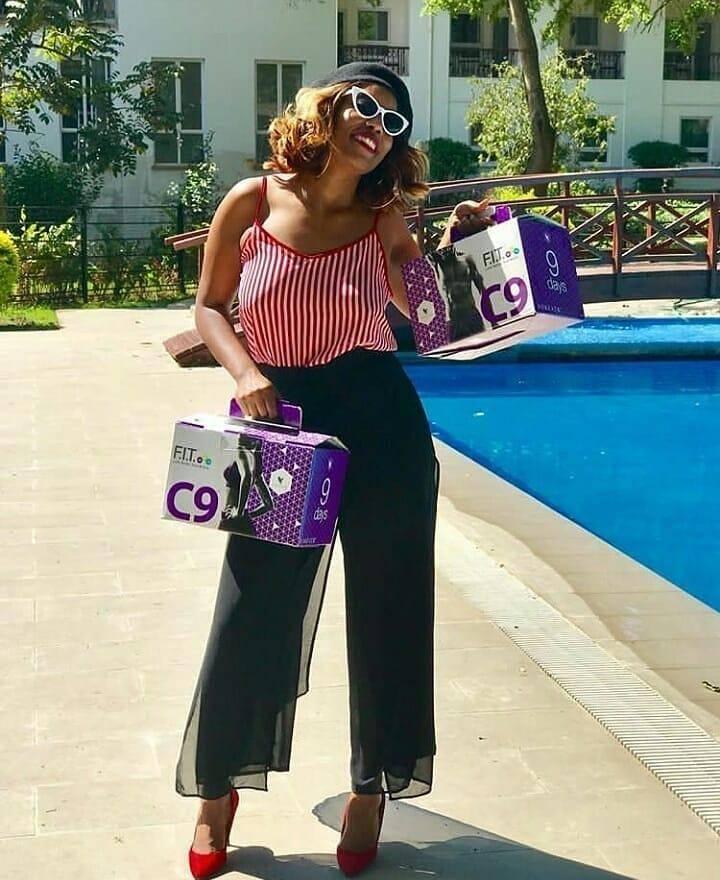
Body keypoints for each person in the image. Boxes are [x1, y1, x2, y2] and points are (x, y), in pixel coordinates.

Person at [177, 62, 494, 880]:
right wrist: (247, 373)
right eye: (364, 105)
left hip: (381, 422)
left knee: (391, 609)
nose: (375, 126)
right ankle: (218, 788)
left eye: (393, 122)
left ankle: (370, 789)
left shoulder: (384, 217)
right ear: (325, 108)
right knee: (251, 609)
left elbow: (431, 321)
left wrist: (457, 250)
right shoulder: (252, 201)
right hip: (280, 421)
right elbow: (209, 305)